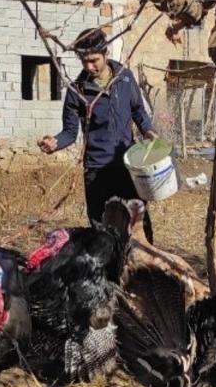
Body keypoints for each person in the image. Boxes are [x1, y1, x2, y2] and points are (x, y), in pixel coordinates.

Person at [39, 28, 157, 243]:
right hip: (97, 169)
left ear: (106, 52)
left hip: (127, 165)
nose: (88, 67)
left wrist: (148, 131)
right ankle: (110, 275)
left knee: (140, 226)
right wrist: (55, 142)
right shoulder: (77, 90)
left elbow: (138, 110)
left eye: (93, 60)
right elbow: (69, 132)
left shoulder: (125, 78)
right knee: (102, 231)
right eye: (83, 61)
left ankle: (143, 271)